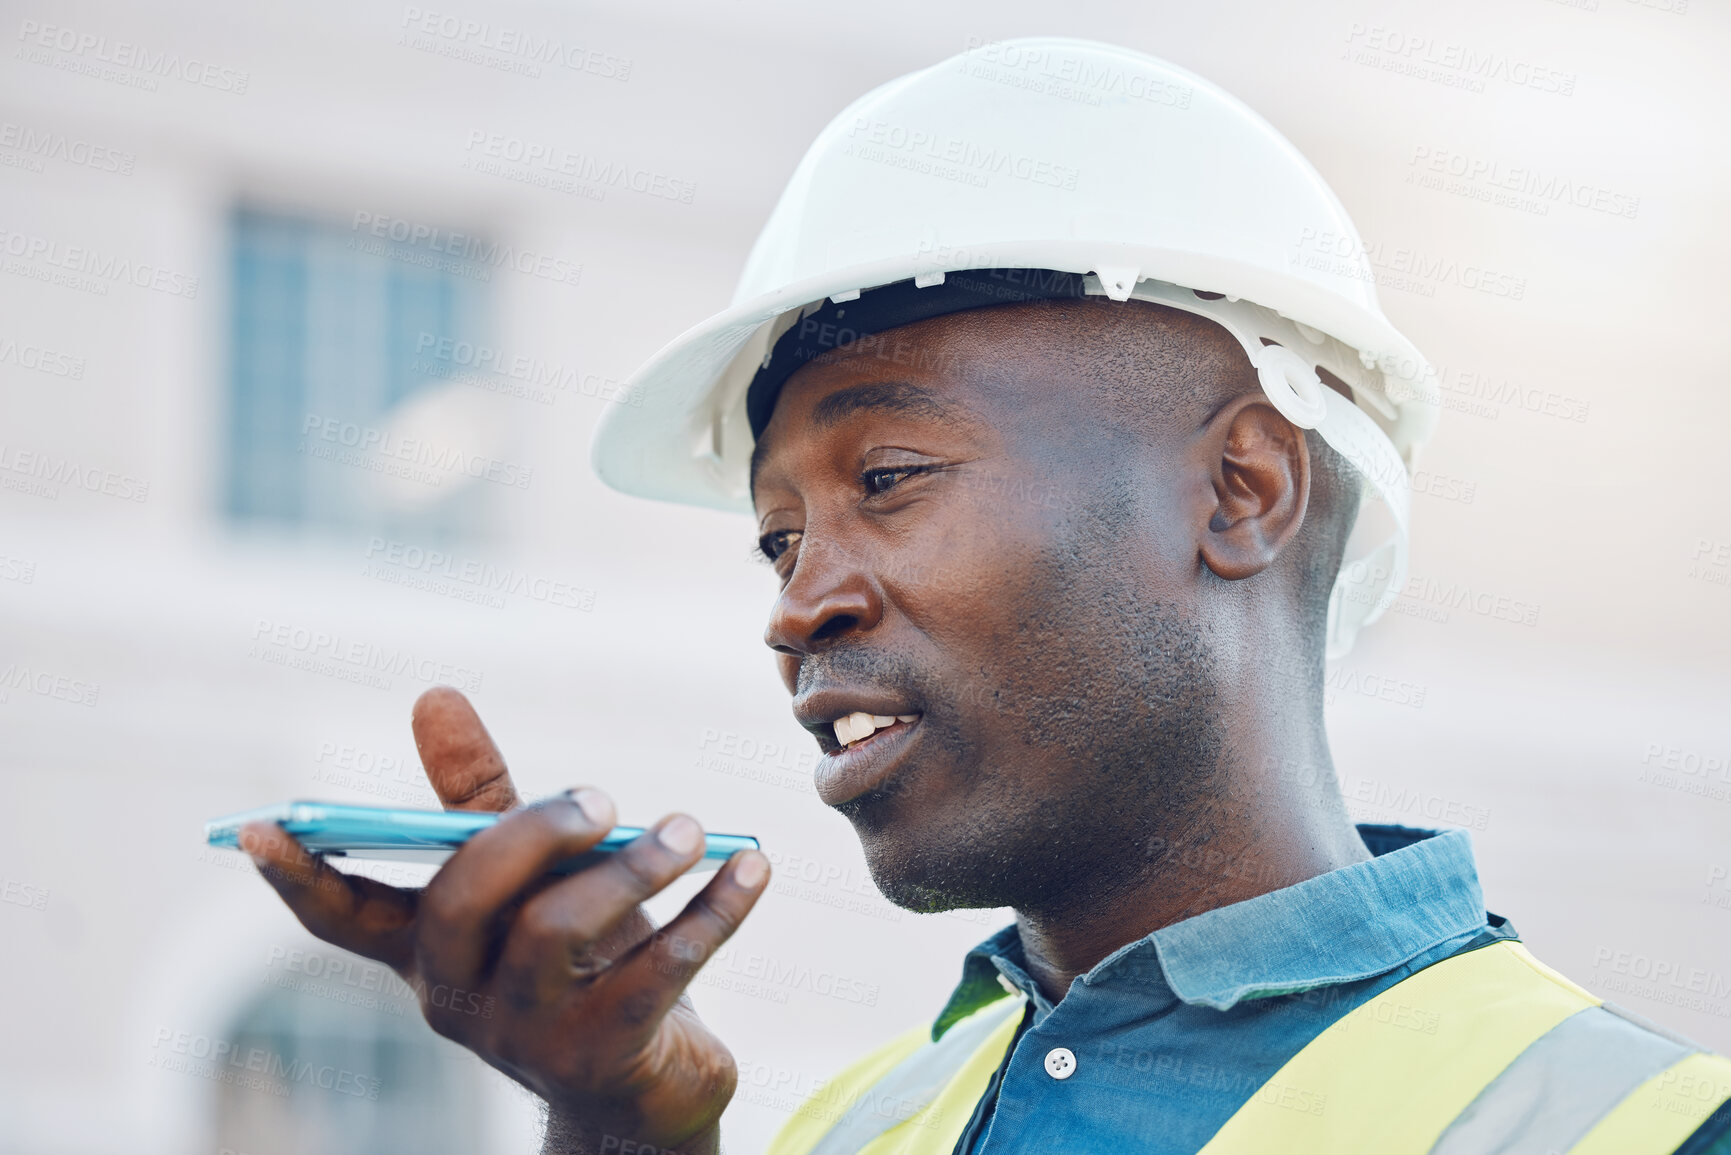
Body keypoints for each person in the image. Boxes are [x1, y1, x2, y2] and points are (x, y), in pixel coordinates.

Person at [242, 38, 1731, 1155]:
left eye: (886, 477)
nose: (795, 605)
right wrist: (620, 1128)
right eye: (775, 539)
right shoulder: (838, 1134)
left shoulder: (1634, 1128)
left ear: (1243, 492)